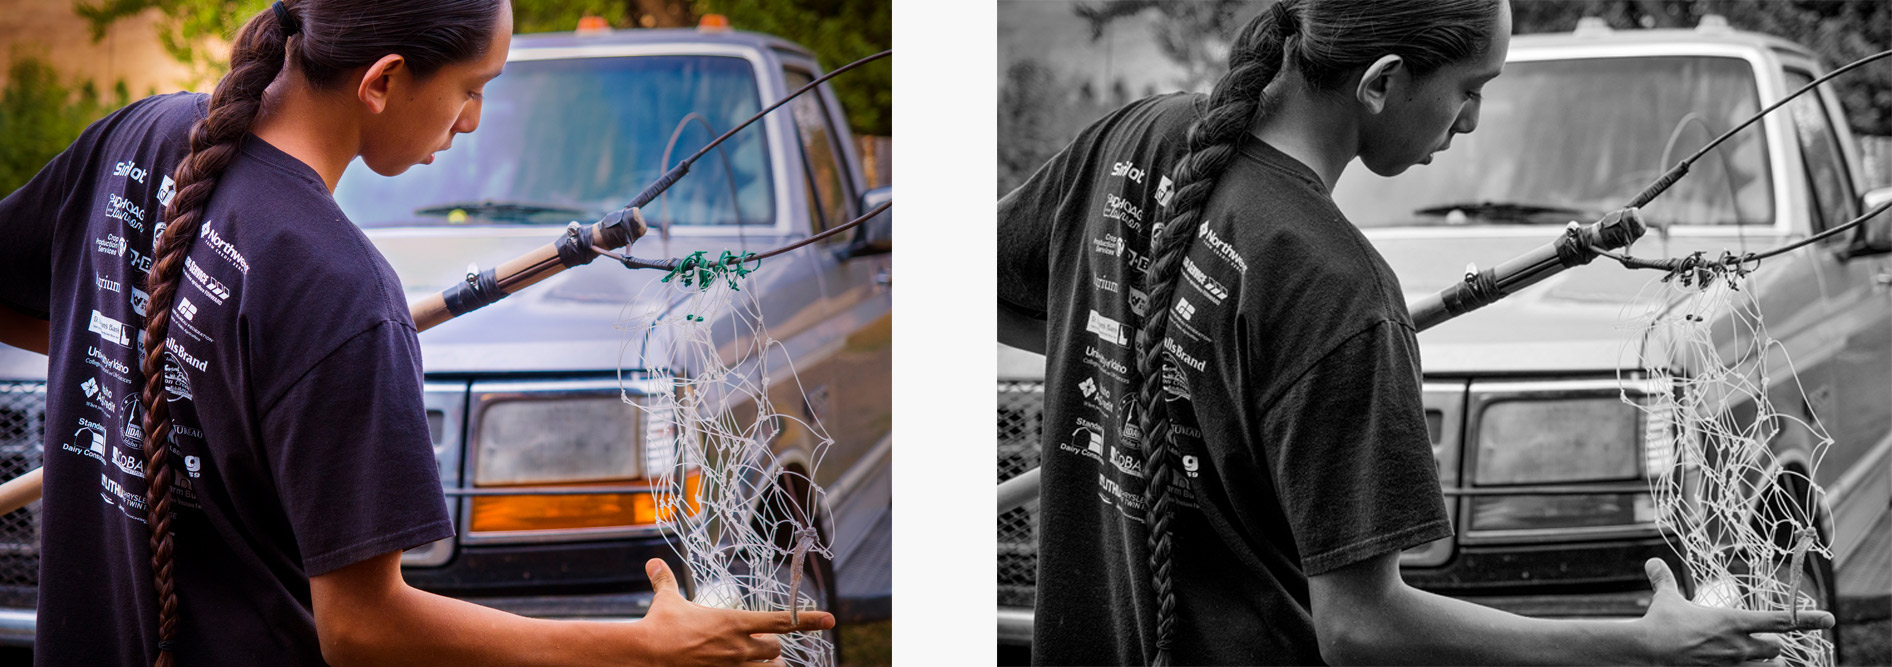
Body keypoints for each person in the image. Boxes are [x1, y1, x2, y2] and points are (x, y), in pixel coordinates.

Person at [997, 0, 1833, 664]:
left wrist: (1144, 358)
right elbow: (1362, 629)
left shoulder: (1136, 135)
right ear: (1383, 79)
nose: (1470, 123)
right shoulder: (1336, 288)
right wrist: (1643, 647)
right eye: (1471, 88)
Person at [0, 1, 828, 665]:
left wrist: (176, 361)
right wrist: (642, 649)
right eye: (473, 86)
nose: (472, 121)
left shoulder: (141, 135)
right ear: (384, 79)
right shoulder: (339, 289)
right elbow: (363, 630)